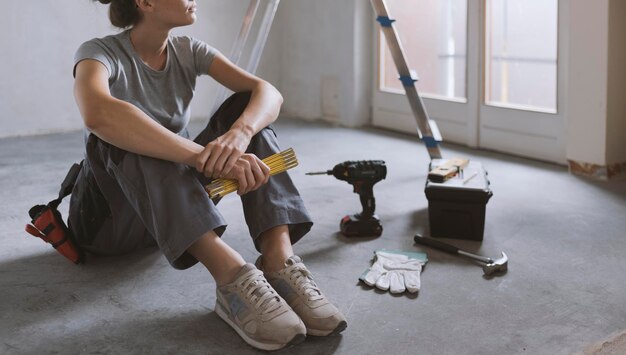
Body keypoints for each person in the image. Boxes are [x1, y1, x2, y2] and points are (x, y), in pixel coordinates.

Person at [69, 0, 347, 351]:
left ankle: (280, 262)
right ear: (146, 2)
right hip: (109, 222)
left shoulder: (188, 50)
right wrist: (202, 157)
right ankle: (232, 278)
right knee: (124, 133)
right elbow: (97, 113)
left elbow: (267, 93)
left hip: (167, 211)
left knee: (245, 110)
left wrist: (240, 134)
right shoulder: (97, 53)